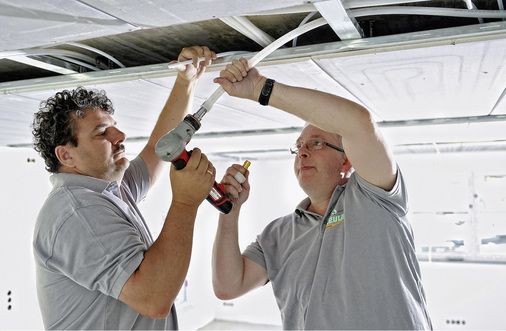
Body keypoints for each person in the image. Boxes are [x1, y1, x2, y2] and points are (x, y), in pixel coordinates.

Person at [212, 58, 433, 330]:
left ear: (347, 161)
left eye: (317, 143)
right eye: (299, 146)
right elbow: (228, 286)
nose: (303, 151)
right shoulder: (277, 235)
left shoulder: (376, 197)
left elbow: (358, 121)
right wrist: (229, 212)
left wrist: (260, 88)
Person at [32, 46, 217, 330]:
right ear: (66, 156)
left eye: (113, 126)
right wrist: (185, 202)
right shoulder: (78, 211)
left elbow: (160, 148)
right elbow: (155, 299)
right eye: (101, 133)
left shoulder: (107, 188)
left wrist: (186, 81)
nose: (120, 135)